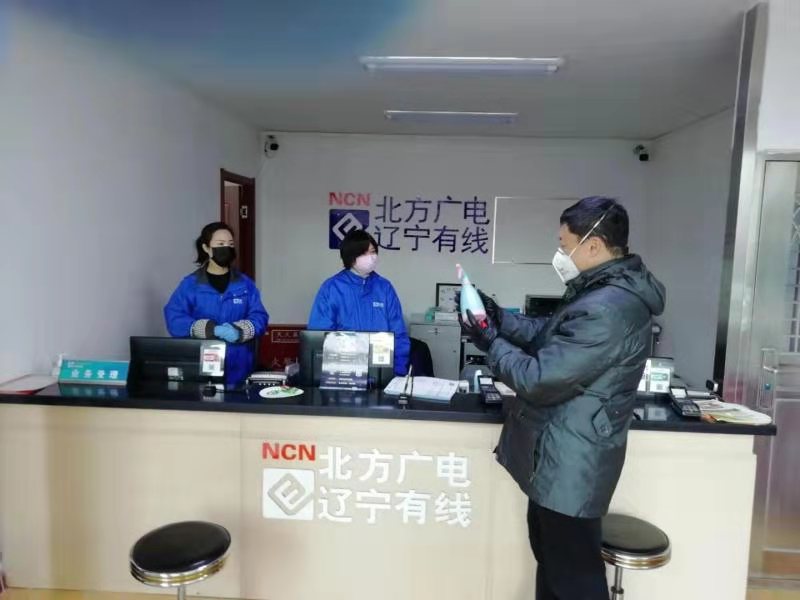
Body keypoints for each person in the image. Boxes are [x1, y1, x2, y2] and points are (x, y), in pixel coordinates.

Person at [460, 197, 665, 600]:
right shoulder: (599, 292)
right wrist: (497, 317)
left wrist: (489, 341)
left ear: (594, 245)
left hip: (572, 465)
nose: (560, 254)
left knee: (573, 580)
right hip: (560, 458)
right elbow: (549, 334)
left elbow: (539, 378)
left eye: (564, 244)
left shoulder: (609, 308)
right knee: (554, 566)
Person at [164, 222, 269, 386]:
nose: (226, 248)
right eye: (220, 244)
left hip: (240, 365)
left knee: (238, 400)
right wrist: (207, 329)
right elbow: (174, 317)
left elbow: (260, 316)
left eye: (230, 244)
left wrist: (240, 330)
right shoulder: (191, 285)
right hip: (202, 365)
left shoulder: (245, 284)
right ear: (206, 248)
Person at [308, 229, 410, 376]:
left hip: (381, 370)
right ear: (350, 256)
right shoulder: (332, 288)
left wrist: (398, 372)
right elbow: (318, 336)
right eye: (364, 253)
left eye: (373, 252)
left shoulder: (384, 288)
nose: (371, 257)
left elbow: (398, 333)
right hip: (342, 372)